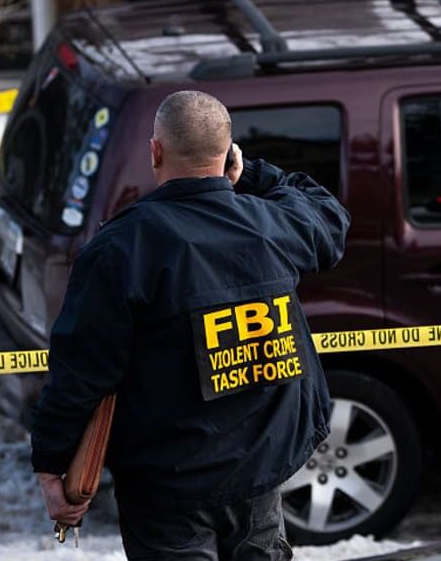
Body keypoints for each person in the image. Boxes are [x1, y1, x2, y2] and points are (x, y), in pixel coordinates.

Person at [30, 90, 350, 560]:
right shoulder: (268, 225)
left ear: (155, 151)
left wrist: (51, 462)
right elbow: (327, 214)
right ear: (227, 154)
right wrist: (251, 173)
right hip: (259, 476)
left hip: (168, 493)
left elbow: (81, 372)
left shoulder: (123, 248)